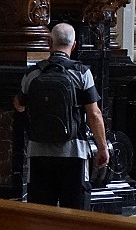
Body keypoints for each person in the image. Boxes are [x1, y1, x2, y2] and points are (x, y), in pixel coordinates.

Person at [13, 22, 109, 209]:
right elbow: (94, 114)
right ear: (73, 45)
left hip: (38, 151)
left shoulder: (33, 73)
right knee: (74, 213)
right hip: (74, 152)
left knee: (40, 213)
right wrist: (102, 148)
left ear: (50, 42)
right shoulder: (81, 72)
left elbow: (19, 104)